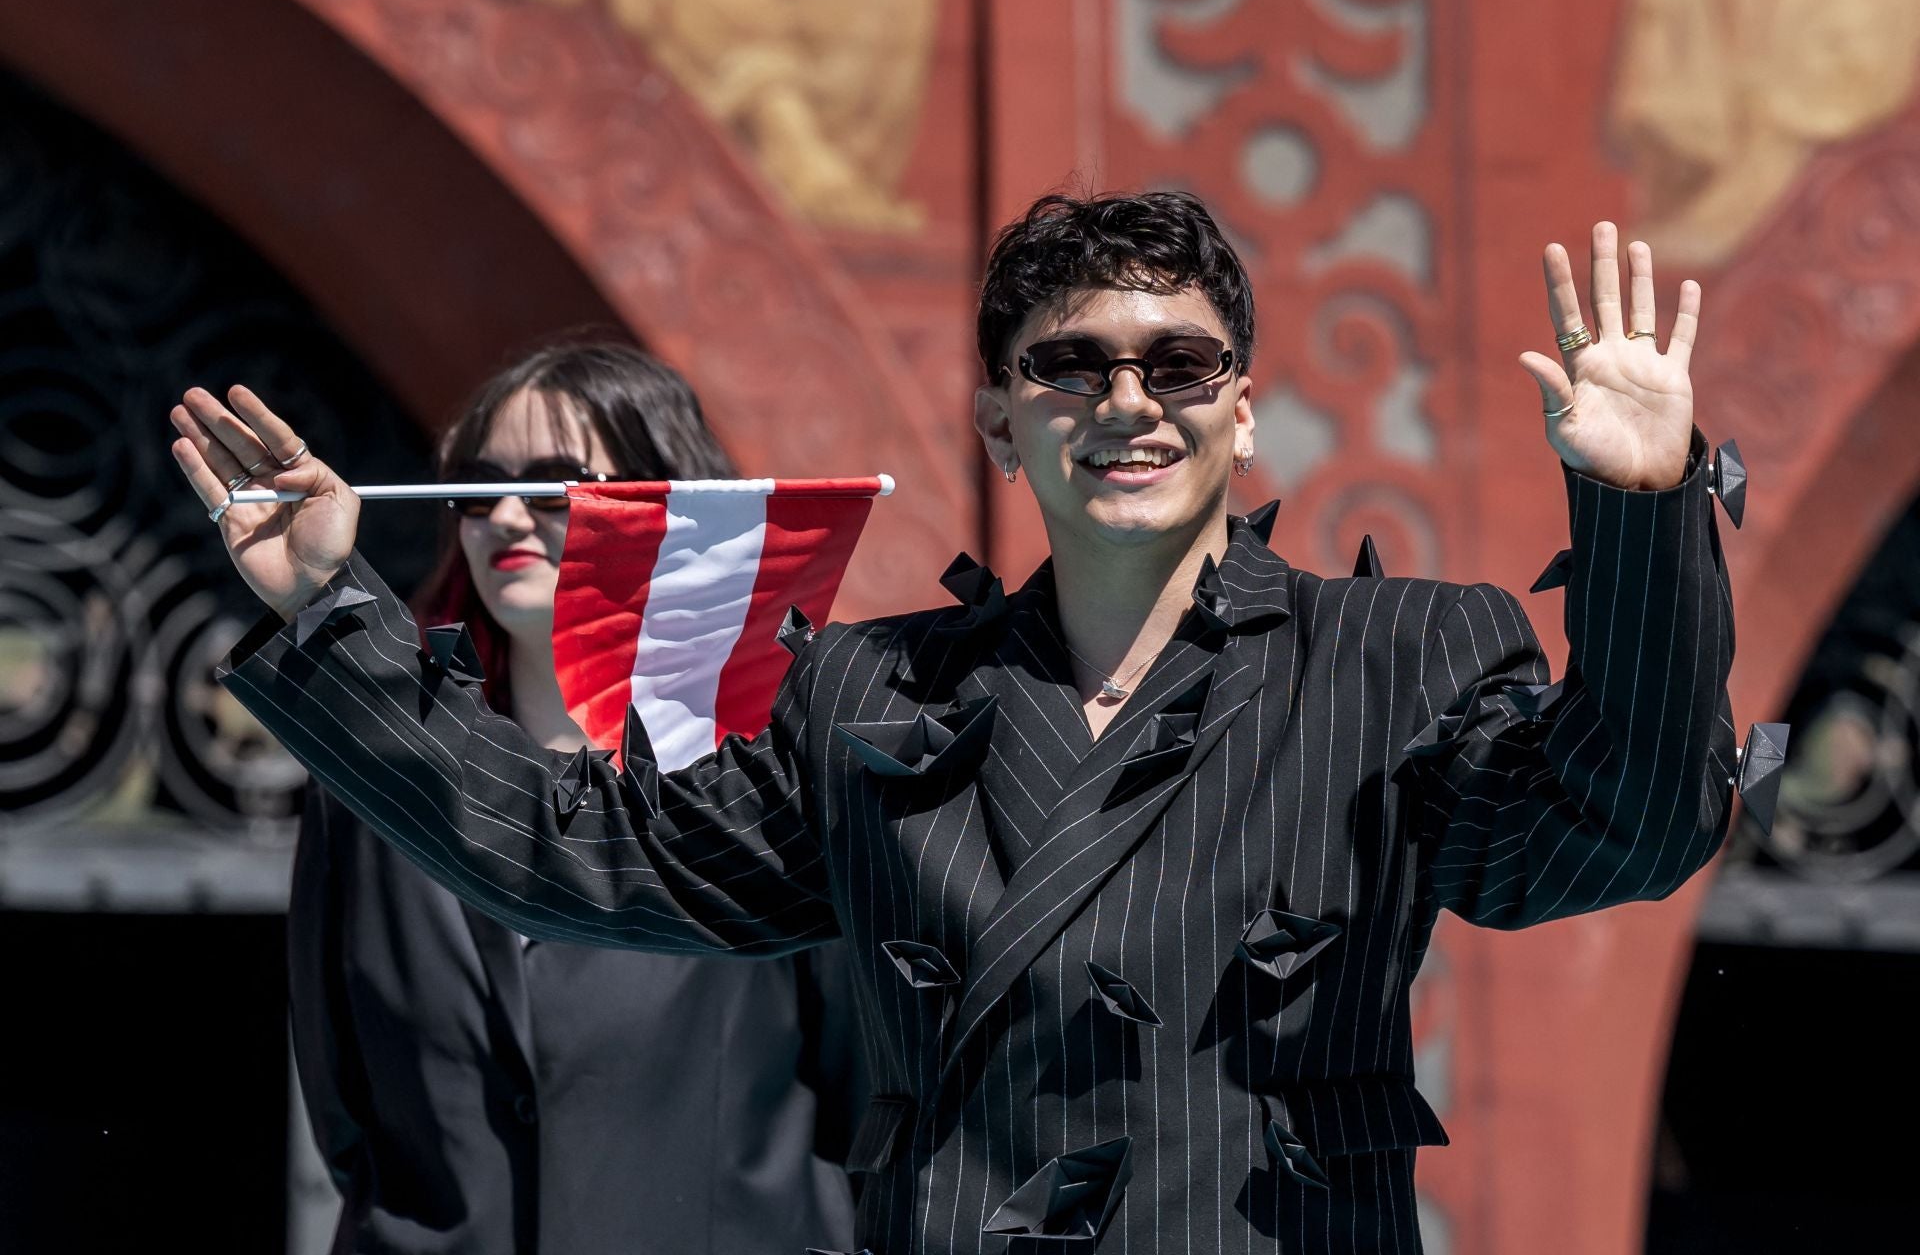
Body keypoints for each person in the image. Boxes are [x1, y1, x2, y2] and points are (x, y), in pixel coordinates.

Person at [176, 192, 1736, 1253]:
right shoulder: (869, 696)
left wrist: (1642, 508)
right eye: (1071, 367)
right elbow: (575, 856)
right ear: (999, 420)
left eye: (1180, 363)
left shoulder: (1395, 658)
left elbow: (1628, 827)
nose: (1129, 402)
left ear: (1243, 405)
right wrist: (330, 614)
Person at [280, 343, 861, 1254]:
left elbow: (861, 1097)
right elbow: (344, 1106)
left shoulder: (774, 775)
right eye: (477, 489)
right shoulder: (374, 780)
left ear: (665, 506)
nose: (507, 516)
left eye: (556, 485)